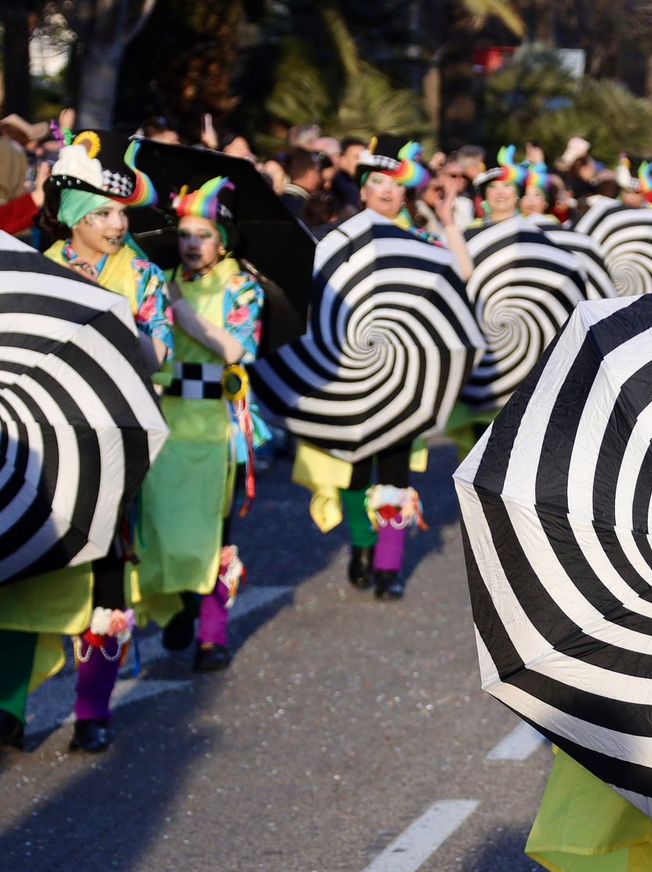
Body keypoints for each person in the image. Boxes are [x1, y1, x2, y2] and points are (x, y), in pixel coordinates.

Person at [0, 130, 170, 754]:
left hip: (112, 440)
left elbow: (158, 356)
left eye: (120, 211)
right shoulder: (27, 262)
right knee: (22, 568)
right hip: (31, 437)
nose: (116, 223)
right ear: (74, 216)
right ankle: (8, 709)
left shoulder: (145, 277)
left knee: (104, 578)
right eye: (102, 212)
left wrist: (107, 312)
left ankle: (92, 710)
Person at [293, 136, 468, 602]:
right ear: (363, 189)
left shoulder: (423, 241)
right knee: (352, 469)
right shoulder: (335, 241)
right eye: (376, 182)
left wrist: (448, 220)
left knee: (394, 472)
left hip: (402, 374)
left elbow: (463, 279)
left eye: (395, 184)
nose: (386, 191)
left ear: (405, 192)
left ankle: (389, 565)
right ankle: (363, 548)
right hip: (347, 370)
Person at [139, 175, 264, 672]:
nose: (191, 244)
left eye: (204, 234)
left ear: (223, 240)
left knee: (215, 534)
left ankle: (212, 636)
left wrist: (183, 313)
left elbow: (236, 351)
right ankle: (179, 607)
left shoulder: (241, 286)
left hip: (219, 428)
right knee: (163, 527)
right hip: (167, 423)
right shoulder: (161, 279)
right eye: (186, 234)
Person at [467, 146, 525, 229]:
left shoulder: (532, 230)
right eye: (492, 186)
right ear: (484, 195)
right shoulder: (472, 231)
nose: (500, 192)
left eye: (506, 185)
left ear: (518, 194)